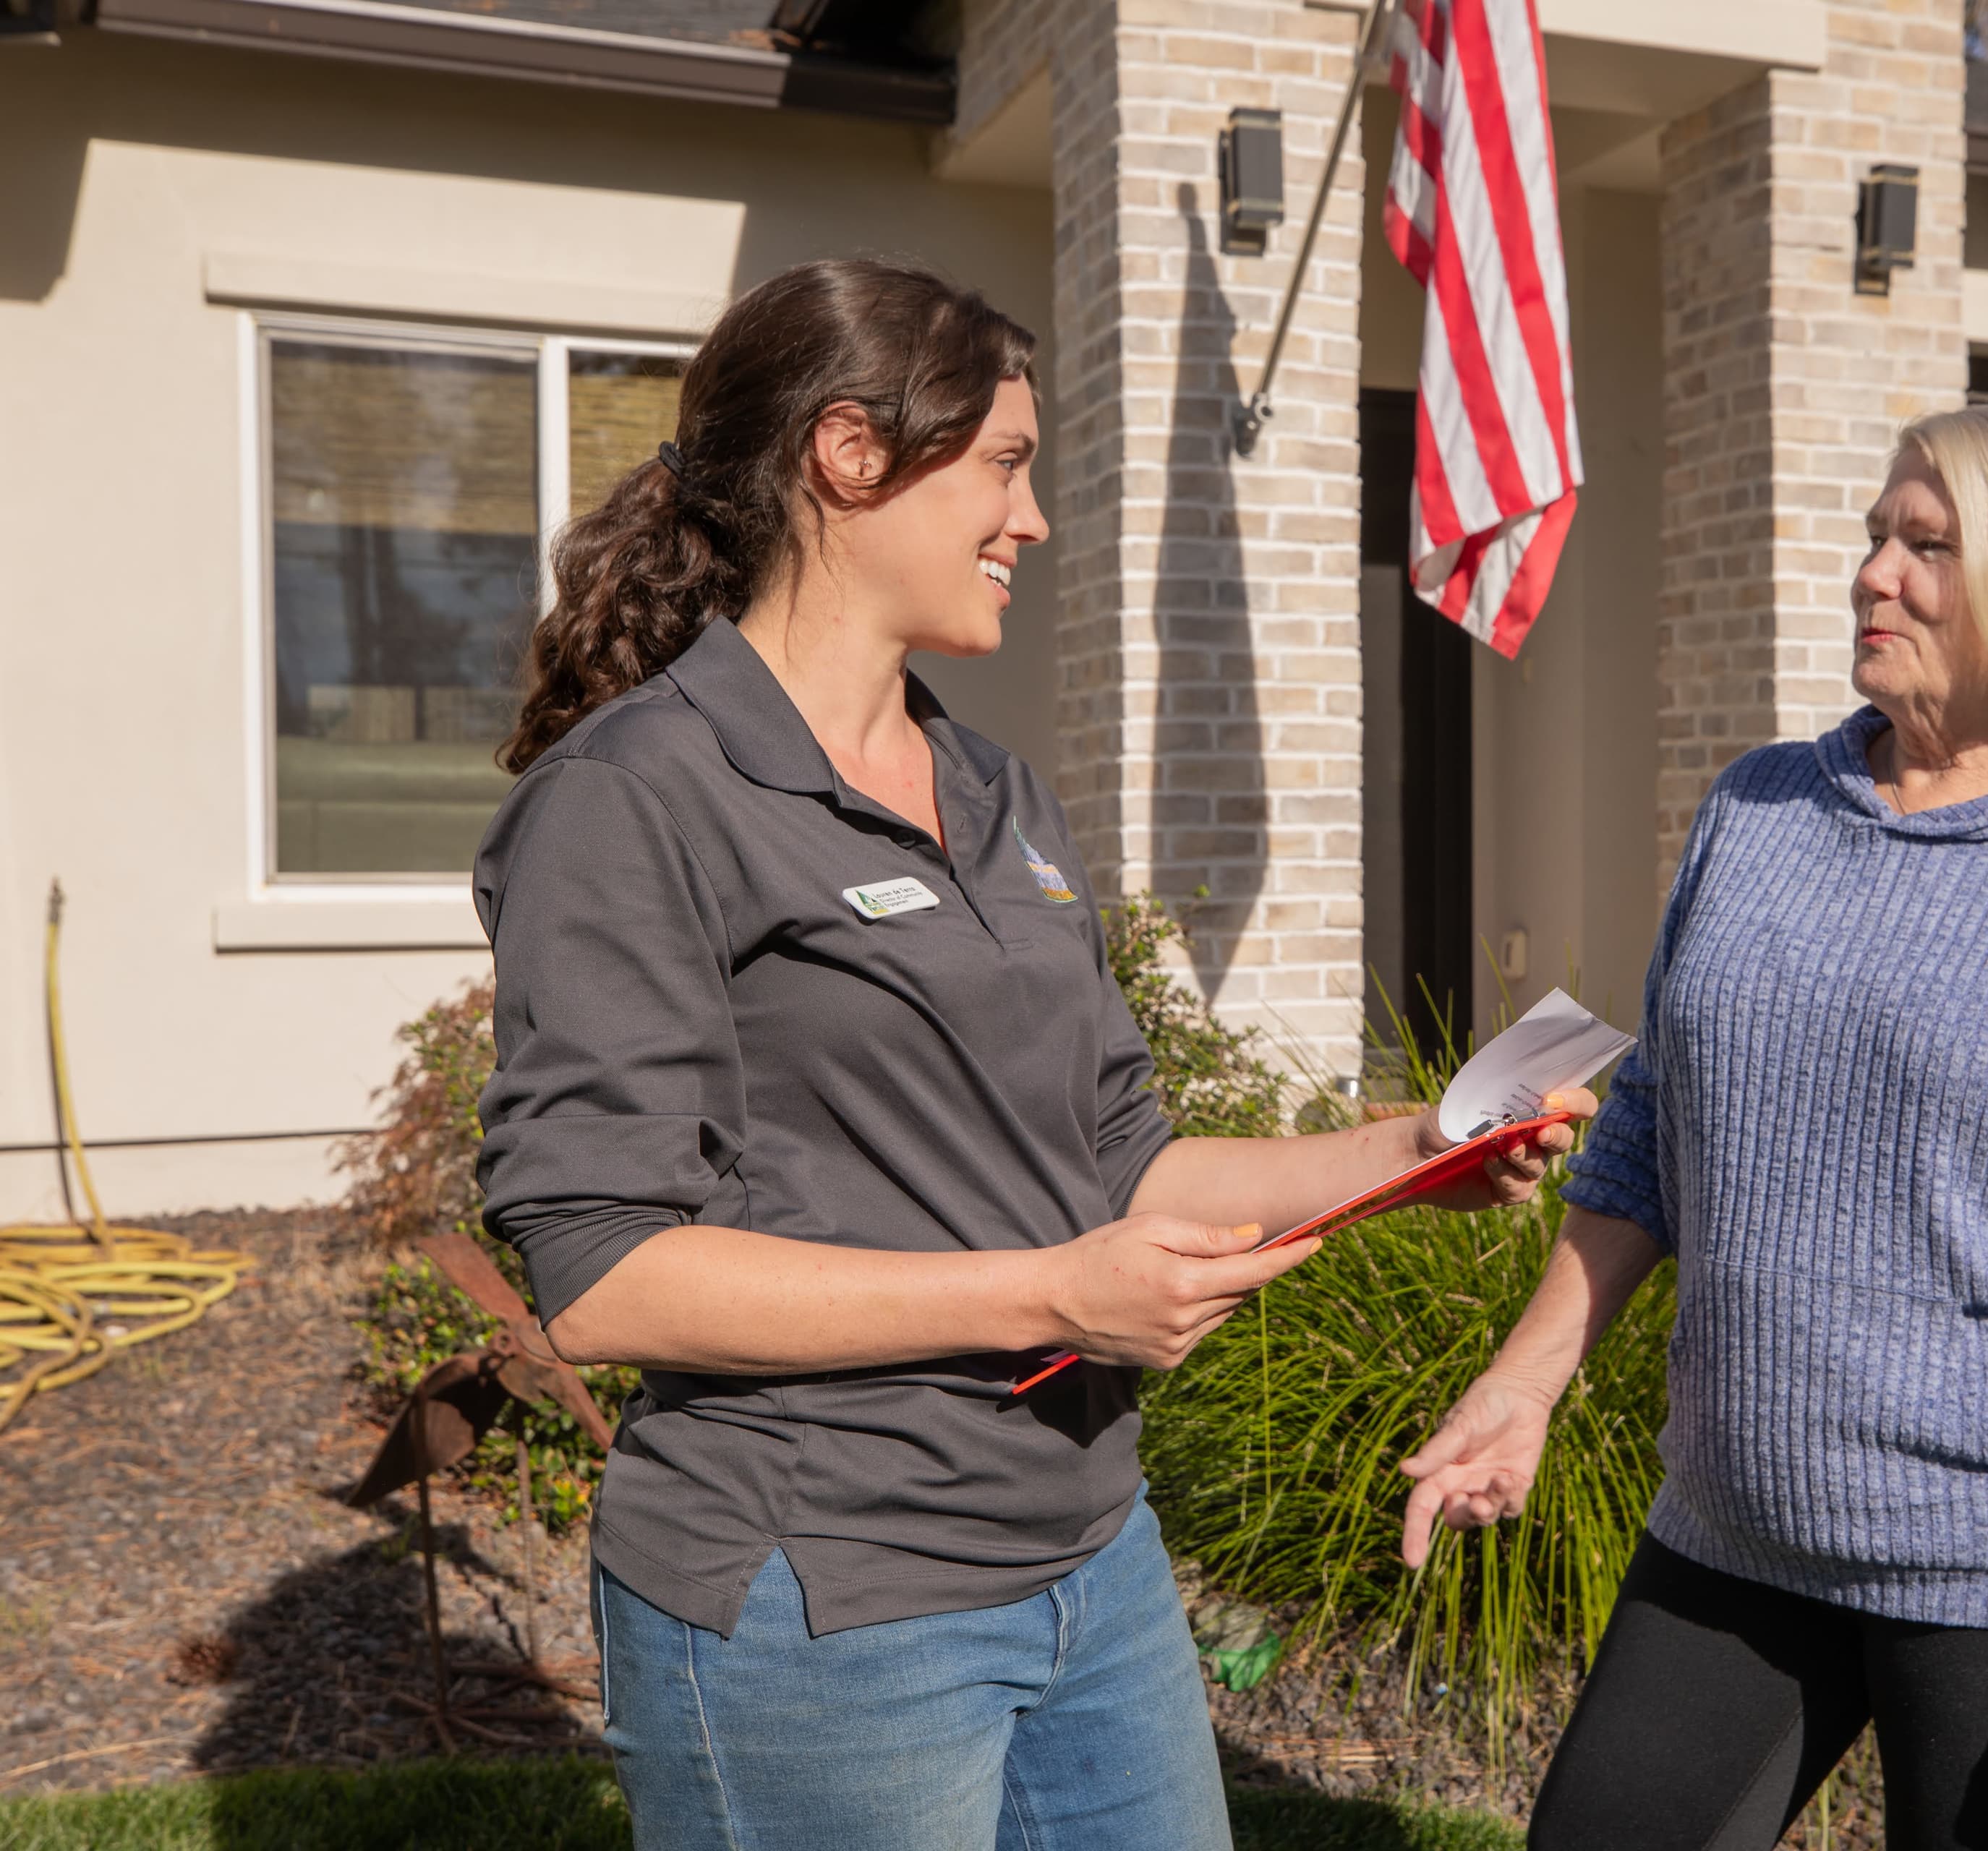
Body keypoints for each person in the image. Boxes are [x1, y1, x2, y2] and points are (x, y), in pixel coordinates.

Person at [474, 258, 1585, 1851]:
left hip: (1090, 1561)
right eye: (1004, 464)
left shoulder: (997, 792)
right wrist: (1056, 1297)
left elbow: (1122, 1157)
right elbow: (604, 1277)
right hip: (824, 1597)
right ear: (849, 455)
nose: (1035, 518)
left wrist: (1412, 1153)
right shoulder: (637, 794)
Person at [1398, 404, 1988, 1851]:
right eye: (1878, 535)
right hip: (1735, 1529)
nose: (1874, 572)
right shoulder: (1756, 810)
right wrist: (1525, 1381)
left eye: (1928, 545)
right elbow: (1650, 1133)